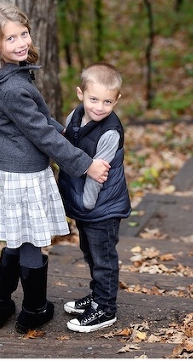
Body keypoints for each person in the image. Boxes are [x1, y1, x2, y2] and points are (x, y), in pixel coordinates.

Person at [0, 1, 110, 334]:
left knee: (17, 239)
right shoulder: (13, 87)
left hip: (6, 167)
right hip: (25, 172)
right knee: (31, 243)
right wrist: (84, 164)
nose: (21, 43)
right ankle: (33, 309)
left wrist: (66, 130)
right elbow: (41, 134)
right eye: (10, 38)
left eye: (24, 34)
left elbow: (38, 122)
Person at [58, 63, 131, 333]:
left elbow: (97, 175)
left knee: (103, 258)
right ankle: (97, 295)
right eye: (93, 99)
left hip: (101, 206)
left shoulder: (110, 132)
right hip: (86, 207)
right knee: (89, 252)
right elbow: (67, 150)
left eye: (107, 101)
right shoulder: (75, 116)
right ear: (80, 94)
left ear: (117, 100)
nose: (99, 107)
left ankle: (105, 308)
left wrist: (84, 206)